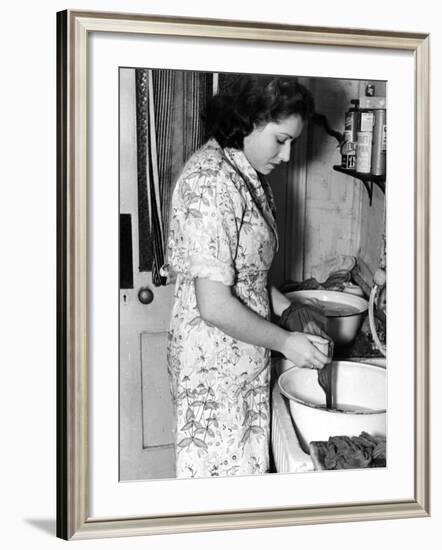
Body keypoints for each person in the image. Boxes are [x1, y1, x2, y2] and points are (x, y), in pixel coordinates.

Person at [164, 74, 329, 479]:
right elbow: (215, 305)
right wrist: (286, 341)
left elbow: (244, 273)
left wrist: (289, 310)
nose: (288, 155)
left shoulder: (246, 174)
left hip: (243, 360)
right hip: (214, 374)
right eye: (281, 139)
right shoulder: (211, 181)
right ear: (247, 120)